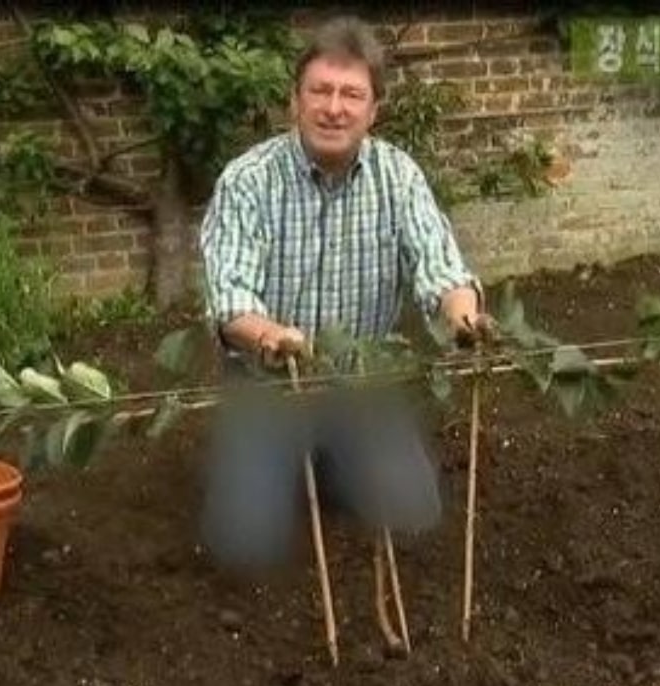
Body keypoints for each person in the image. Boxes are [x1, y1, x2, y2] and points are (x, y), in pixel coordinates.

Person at [197, 15, 496, 572]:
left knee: (412, 513)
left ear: (373, 109)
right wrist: (274, 337)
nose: (334, 107)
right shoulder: (248, 180)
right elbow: (231, 299)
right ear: (295, 101)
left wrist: (464, 318)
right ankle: (281, 455)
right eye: (321, 90)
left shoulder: (398, 177)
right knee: (244, 545)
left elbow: (441, 269)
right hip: (271, 387)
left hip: (361, 385)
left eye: (351, 94)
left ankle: (330, 456)